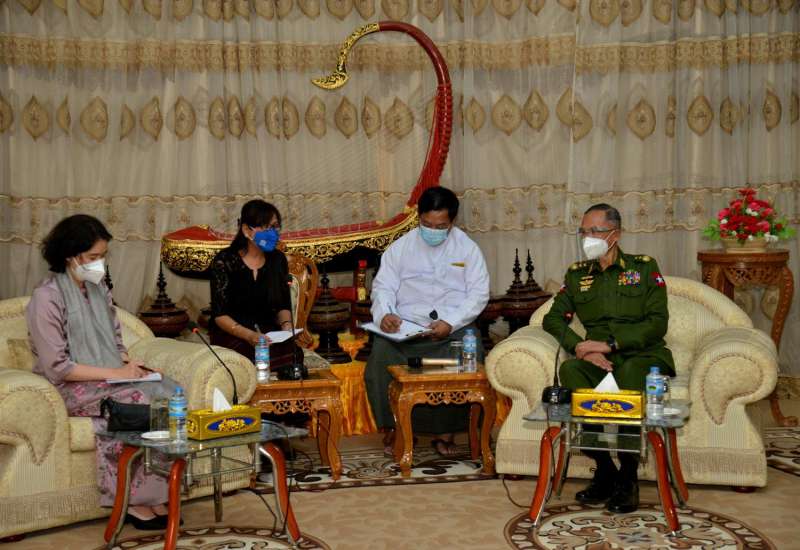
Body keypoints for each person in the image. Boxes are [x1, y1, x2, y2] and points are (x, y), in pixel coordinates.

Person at [26, 214, 178, 530]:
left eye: (103, 256)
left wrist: (130, 367)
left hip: (109, 376)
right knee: (134, 400)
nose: (100, 263)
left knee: (168, 390)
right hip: (68, 385)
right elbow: (57, 366)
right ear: (70, 255)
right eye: (93, 256)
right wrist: (117, 373)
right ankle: (133, 500)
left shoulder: (98, 289)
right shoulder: (46, 298)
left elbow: (116, 340)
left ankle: (158, 493)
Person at [542, 203, 674, 514]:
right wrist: (582, 348)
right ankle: (604, 470)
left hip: (641, 355)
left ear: (616, 234)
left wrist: (610, 345)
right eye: (583, 231)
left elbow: (657, 323)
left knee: (630, 373)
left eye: (595, 231)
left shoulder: (643, 268)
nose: (588, 238)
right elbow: (553, 319)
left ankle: (628, 477)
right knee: (571, 371)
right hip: (596, 359)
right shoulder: (578, 275)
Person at [365, 186, 490, 456]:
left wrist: (451, 322)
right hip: (406, 329)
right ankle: (395, 428)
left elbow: (479, 294)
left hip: (452, 329)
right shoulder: (400, 248)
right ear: (418, 218)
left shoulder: (468, 249)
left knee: (469, 353)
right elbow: (383, 287)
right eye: (427, 224)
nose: (433, 230)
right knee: (381, 354)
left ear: (452, 221)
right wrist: (385, 314)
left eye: (440, 226)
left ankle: (446, 434)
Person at [209, 200, 298, 370]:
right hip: (233, 332)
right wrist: (249, 335)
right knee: (248, 357)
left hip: (267, 332)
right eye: (265, 227)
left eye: (275, 227)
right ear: (246, 230)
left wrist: (286, 326)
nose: (272, 233)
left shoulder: (277, 259)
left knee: (293, 354)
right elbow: (219, 315)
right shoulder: (225, 261)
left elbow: (282, 305)